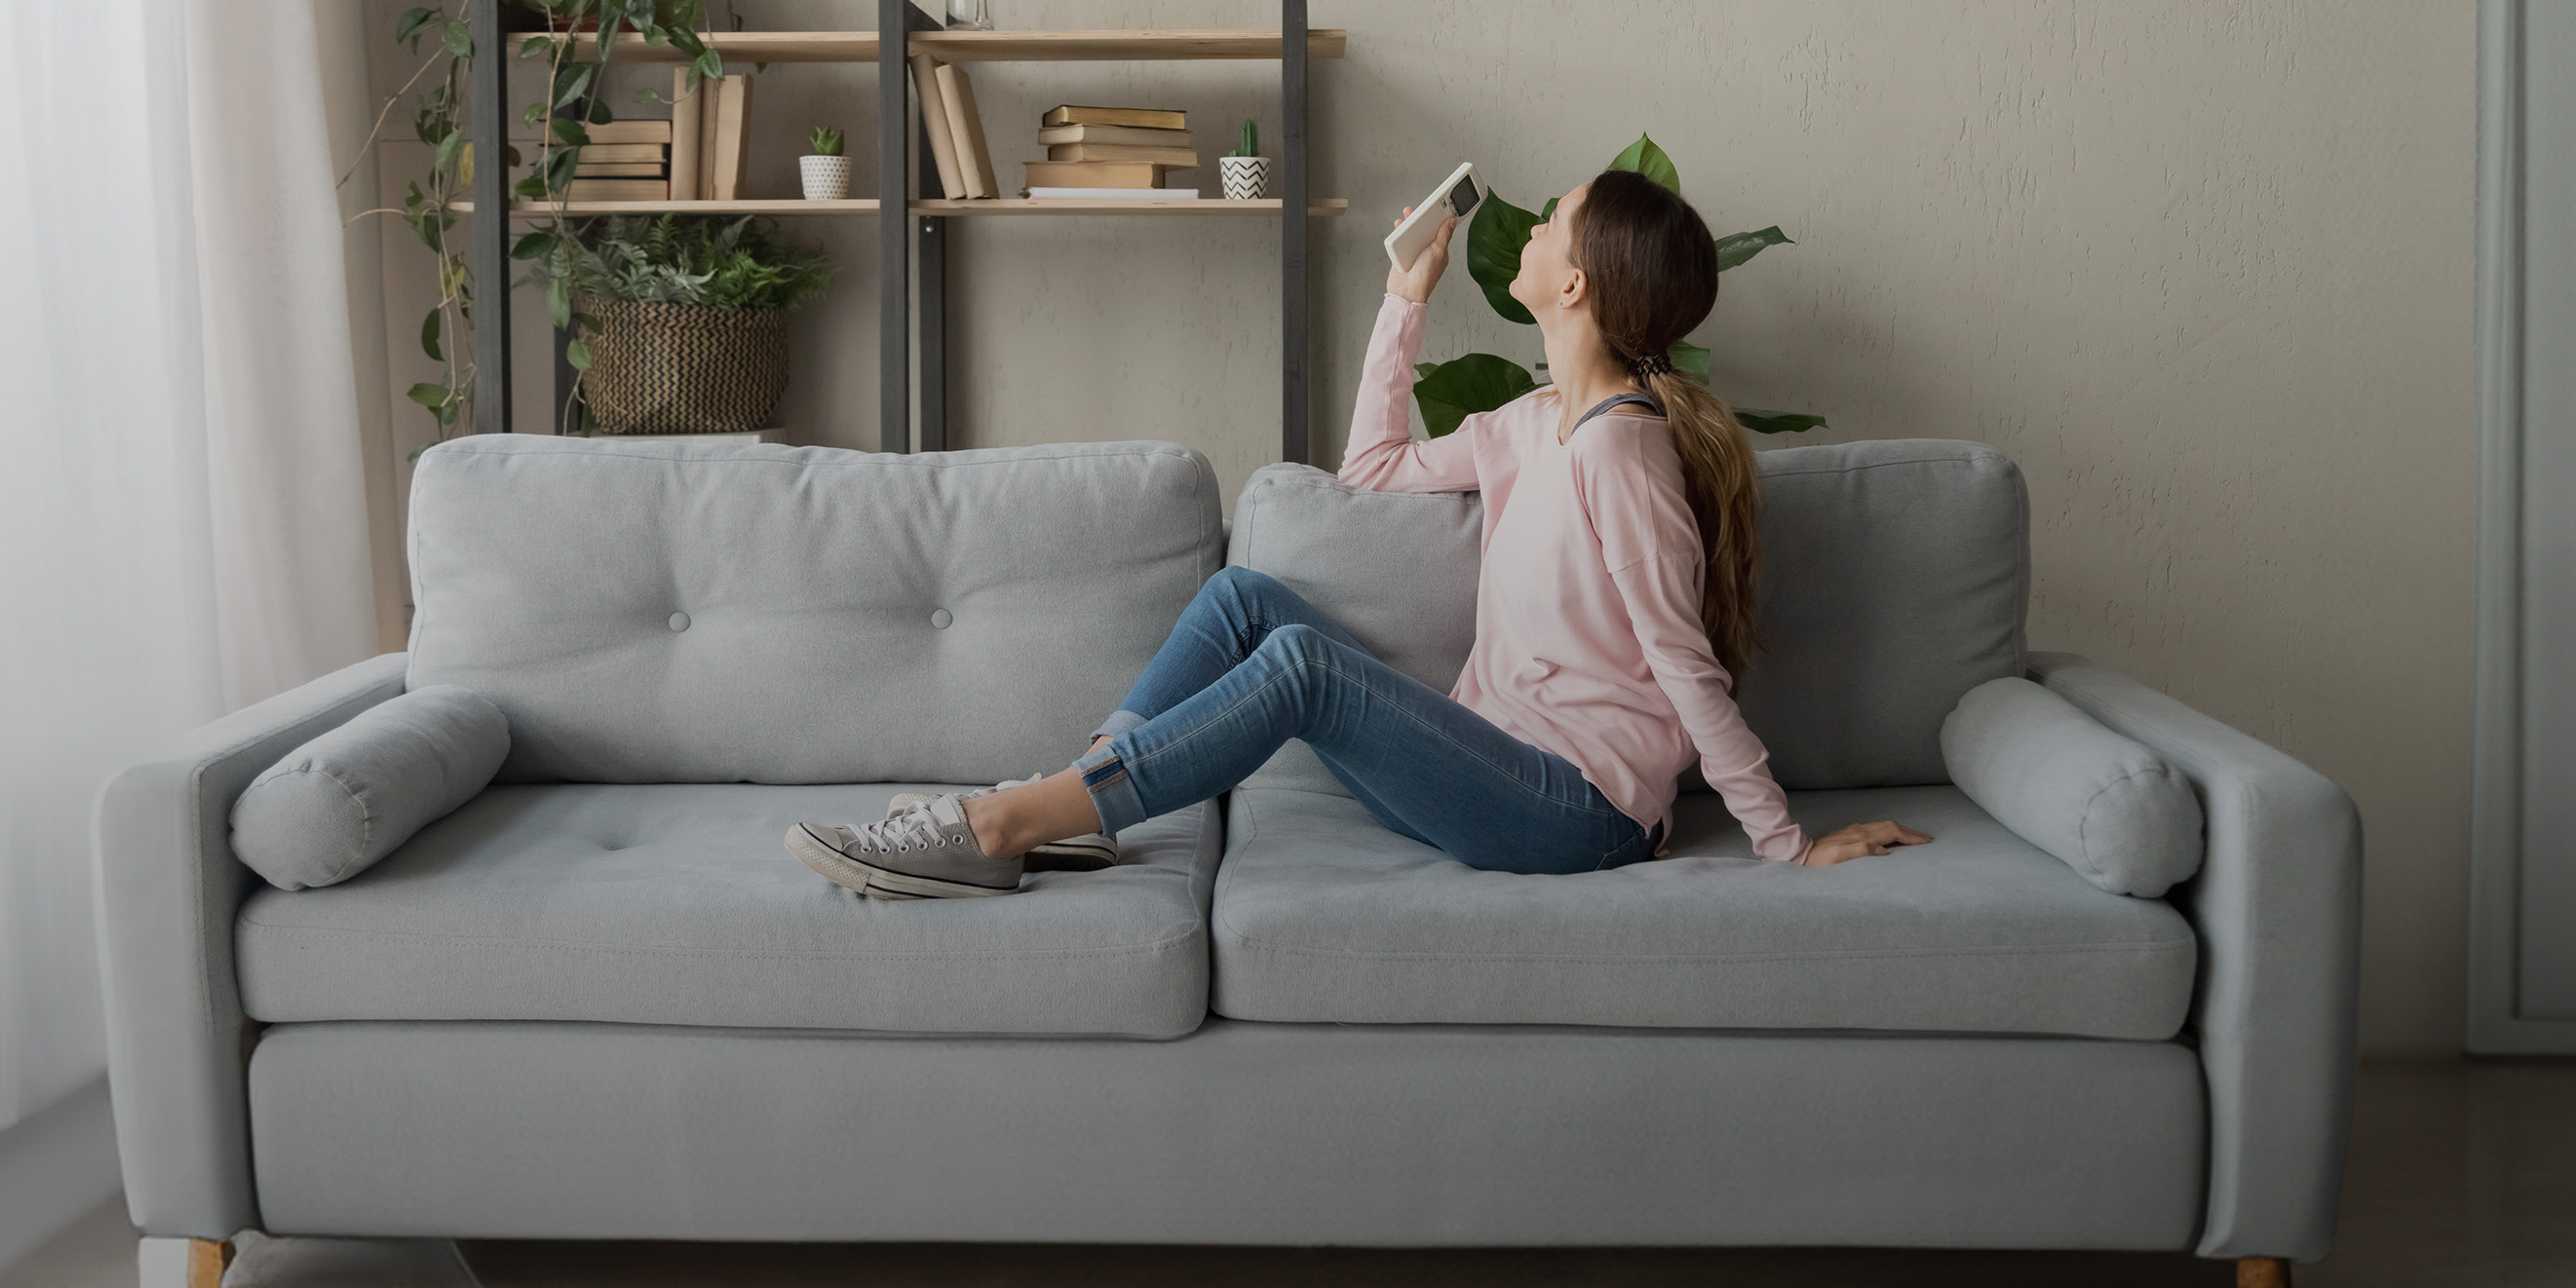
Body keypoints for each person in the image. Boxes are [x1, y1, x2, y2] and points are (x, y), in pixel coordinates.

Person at [787, 165, 1933, 898]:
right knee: (1247, 604)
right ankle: (1077, 805)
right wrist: (1403, 297)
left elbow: (1685, 663)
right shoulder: (1531, 422)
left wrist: (1784, 841)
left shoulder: (1621, 451)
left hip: (1577, 813)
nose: (1530, 223)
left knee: (1299, 666)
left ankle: (1000, 825)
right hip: (1490, 766)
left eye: (1556, 219)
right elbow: (1369, 469)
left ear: (1576, 282)